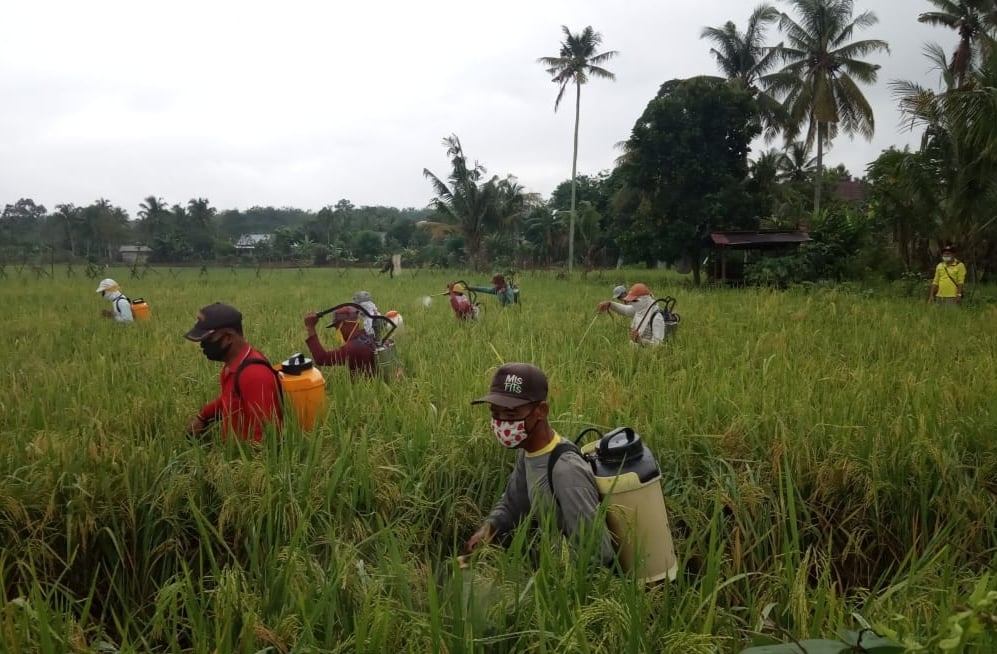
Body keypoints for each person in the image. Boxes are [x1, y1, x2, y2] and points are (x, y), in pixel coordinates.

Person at [463, 363, 614, 567]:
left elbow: (597, 552)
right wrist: (489, 530)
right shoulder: (528, 451)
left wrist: (548, 585)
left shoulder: (566, 471)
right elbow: (513, 503)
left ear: (541, 411)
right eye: (495, 413)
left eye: (510, 415)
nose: (501, 423)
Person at [184, 303, 283, 442]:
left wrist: (238, 461)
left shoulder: (254, 375)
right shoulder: (233, 366)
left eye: (208, 339)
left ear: (229, 337)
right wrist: (203, 417)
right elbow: (229, 399)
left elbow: (266, 436)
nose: (202, 345)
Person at [303, 305, 376, 377]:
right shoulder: (368, 336)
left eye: (337, 327)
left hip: (364, 387)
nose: (337, 331)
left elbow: (322, 358)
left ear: (345, 324)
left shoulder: (352, 348)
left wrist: (311, 327)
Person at [596, 282, 666, 346]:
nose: (632, 303)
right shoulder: (639, 309)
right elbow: (625, 310)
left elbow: (658, 345)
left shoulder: (657, 318)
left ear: (644, 299)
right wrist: (610, 304)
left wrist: (640, 341)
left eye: (634, 300)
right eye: (631, 301)